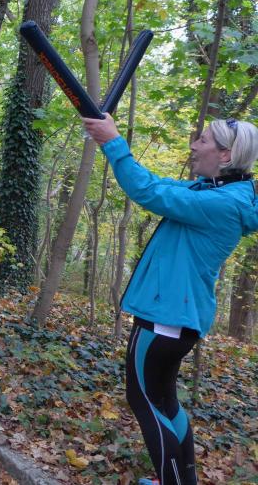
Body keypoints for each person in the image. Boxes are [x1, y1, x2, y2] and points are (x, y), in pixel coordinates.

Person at [82, 114, 258, 485]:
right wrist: (111, 140)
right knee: (164, 400)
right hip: (176, 318)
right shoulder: (218, 192)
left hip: (165, 317)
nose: (194, 145)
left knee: (143, 399)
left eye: (203, 140)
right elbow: (159, 184)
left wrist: (113, 142)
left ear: (225, 156)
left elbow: (147, 191)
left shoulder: (221, 203)